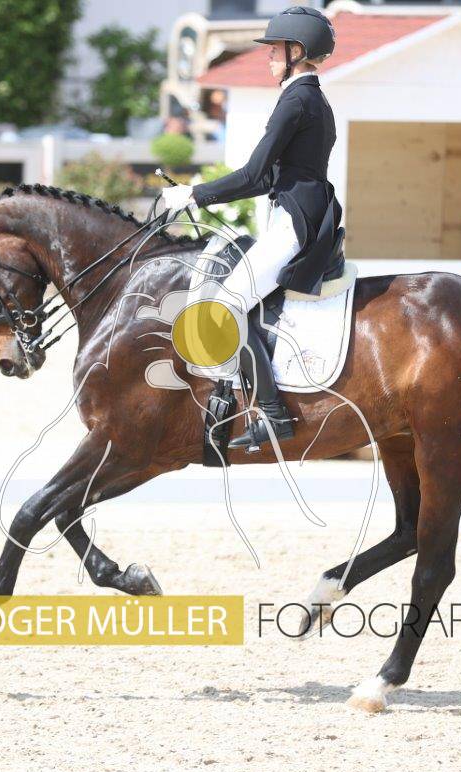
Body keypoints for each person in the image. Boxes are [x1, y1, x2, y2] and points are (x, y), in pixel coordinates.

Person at [160, 6, 344, 452]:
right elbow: (266, 180)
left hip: (294, 220)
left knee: (227, 306)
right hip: (297, 213)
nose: (269, 57)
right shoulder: (310, 100)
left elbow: (253, 174)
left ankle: (274, 415)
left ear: (297, 51)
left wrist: (194, 194)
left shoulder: (297, 101)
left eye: (275, 49)